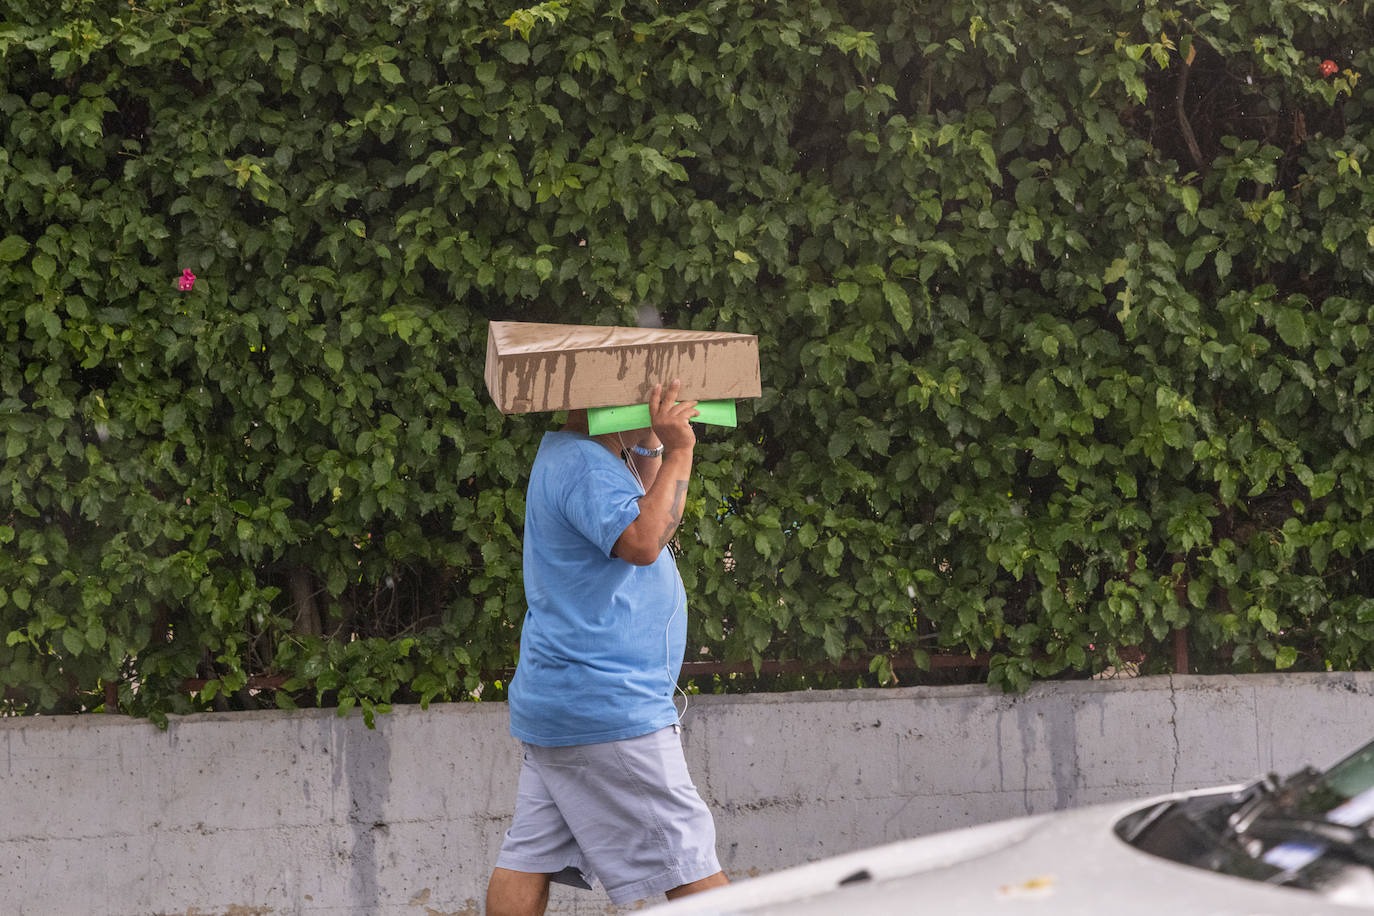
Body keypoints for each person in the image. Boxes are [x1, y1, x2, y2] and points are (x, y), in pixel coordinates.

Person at [486, 380, 730, 916]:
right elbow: (644, 539)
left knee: (530, 855)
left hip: (567, 698)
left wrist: (649, 439)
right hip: (607, 705)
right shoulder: (584, 466)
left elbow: (638, 498)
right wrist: (683, 449)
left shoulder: (576, 454)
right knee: (688, 857)